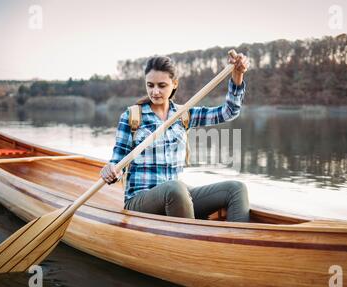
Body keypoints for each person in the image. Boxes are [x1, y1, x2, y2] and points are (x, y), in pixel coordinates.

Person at [100, 52, 250, 222]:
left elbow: (228, 112)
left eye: (161, 85)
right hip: (140, 200)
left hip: (176, 198)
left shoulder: (183, 115)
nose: (155, 91)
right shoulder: (132, 116)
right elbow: (118, 164)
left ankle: (237, 242)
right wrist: (111, 171)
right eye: (150, 85)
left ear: (174, 84)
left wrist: (238, 75)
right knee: (175, 188)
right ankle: (193, 240)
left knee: (236, 188)